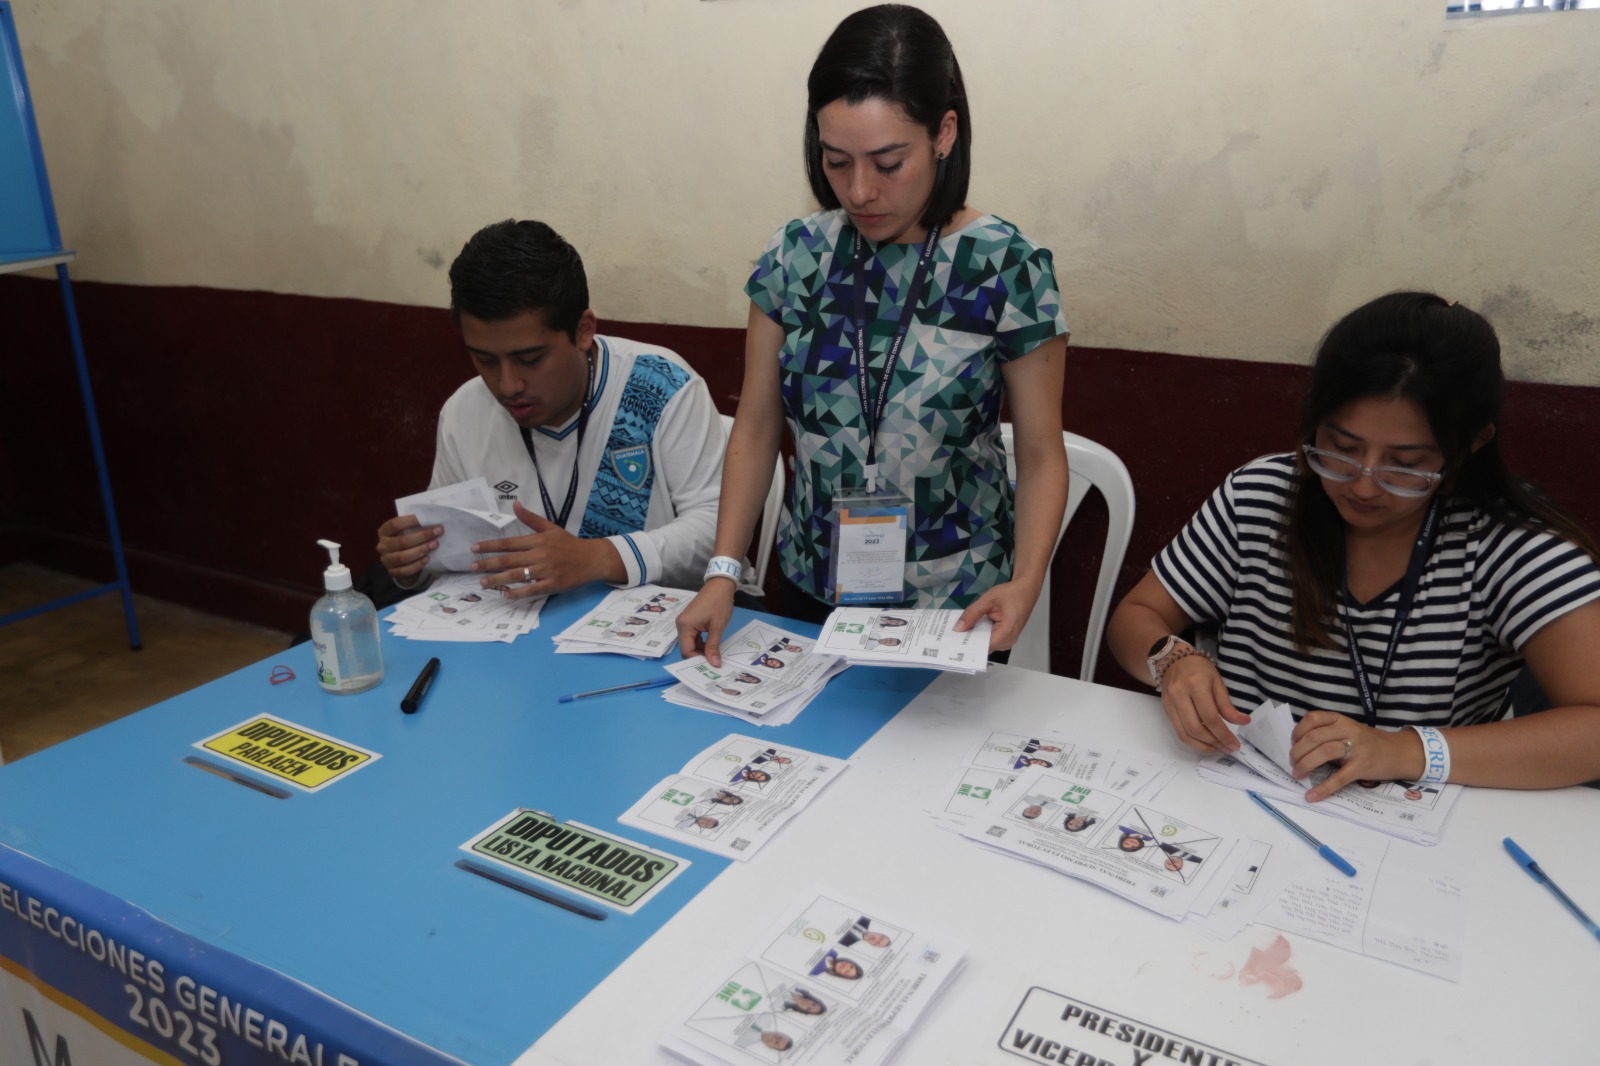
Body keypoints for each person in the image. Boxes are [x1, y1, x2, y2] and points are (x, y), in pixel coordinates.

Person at [678, 4, 1069, 665]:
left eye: (888, 163)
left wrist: (1026, 580)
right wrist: (722, 571)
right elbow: (757, 424)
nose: (859, 191)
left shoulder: (1005, 267)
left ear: (944, 133)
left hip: (955, 605)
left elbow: (1039, 454)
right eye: (837, 161)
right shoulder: (796, 257)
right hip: (812, 587)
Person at [1107, 292, 1600, 798]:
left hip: (1411, 813)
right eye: (1342, 449)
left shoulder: (1511, 547)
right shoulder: (1262, 496)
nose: (1363, 486)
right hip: (1239, 785)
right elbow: (1137, 614)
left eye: (1405, 464)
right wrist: (1171, 660)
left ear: (1467, 448)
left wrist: (1403, 750)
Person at [376, 220, 726, 597]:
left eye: (530, 359)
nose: (508, 385)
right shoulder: (466, 410)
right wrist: (413, 561)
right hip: (521, 617)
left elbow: (717, 531)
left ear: (583, 331)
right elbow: (450, 549)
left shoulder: (659, 387)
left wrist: (597, 557)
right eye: (485, 360)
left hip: (660, 613)